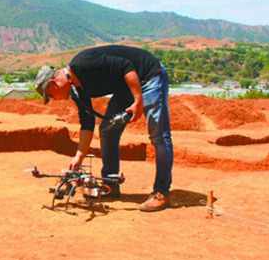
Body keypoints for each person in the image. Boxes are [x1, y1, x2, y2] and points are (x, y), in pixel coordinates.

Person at [34, 45, 173, 211]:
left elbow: (126, 66)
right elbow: (87, 123)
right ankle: (110, 185)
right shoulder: (78, 90)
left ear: (53, 83)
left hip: (148, 75)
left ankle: (161, 192)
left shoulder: (83, 63)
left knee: (159, 135)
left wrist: (138, 100)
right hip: (125, 86)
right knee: (107, 130)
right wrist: (79, 157)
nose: (53, 99)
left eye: (50, 96)